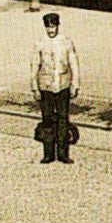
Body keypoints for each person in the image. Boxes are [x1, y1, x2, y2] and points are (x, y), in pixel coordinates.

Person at [31, 12, 80, 164]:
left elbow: (73, 63)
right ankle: (48, 153)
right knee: (47, 119)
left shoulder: (66, 42)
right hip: (46, 85)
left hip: (63, 84)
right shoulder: (40, 42)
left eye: (53, 27)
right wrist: (34, 86)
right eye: (48, 27)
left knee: (63, 118)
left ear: (58, 26)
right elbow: (35, 64)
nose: (51, 30)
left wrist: (75, 83)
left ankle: (63, 152)